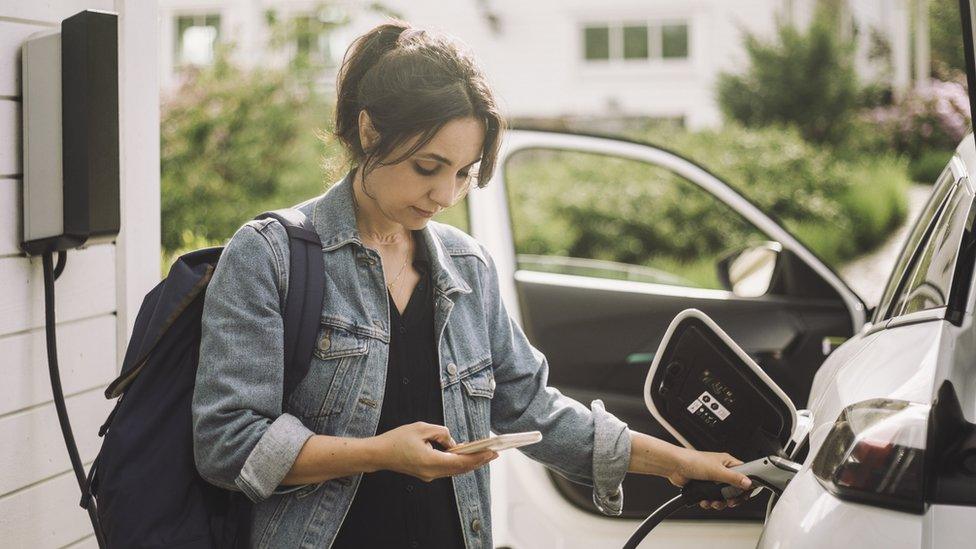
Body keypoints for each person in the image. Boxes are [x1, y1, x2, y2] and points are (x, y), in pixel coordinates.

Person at [191, 20, 752, 549]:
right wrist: (378, 454)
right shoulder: (270, 256)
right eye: (428, 167)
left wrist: (679, 462)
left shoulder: (467, 267)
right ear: (370, 130)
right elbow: (227, 442)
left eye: (463, 174)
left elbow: (535, 412)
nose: (445, 195)